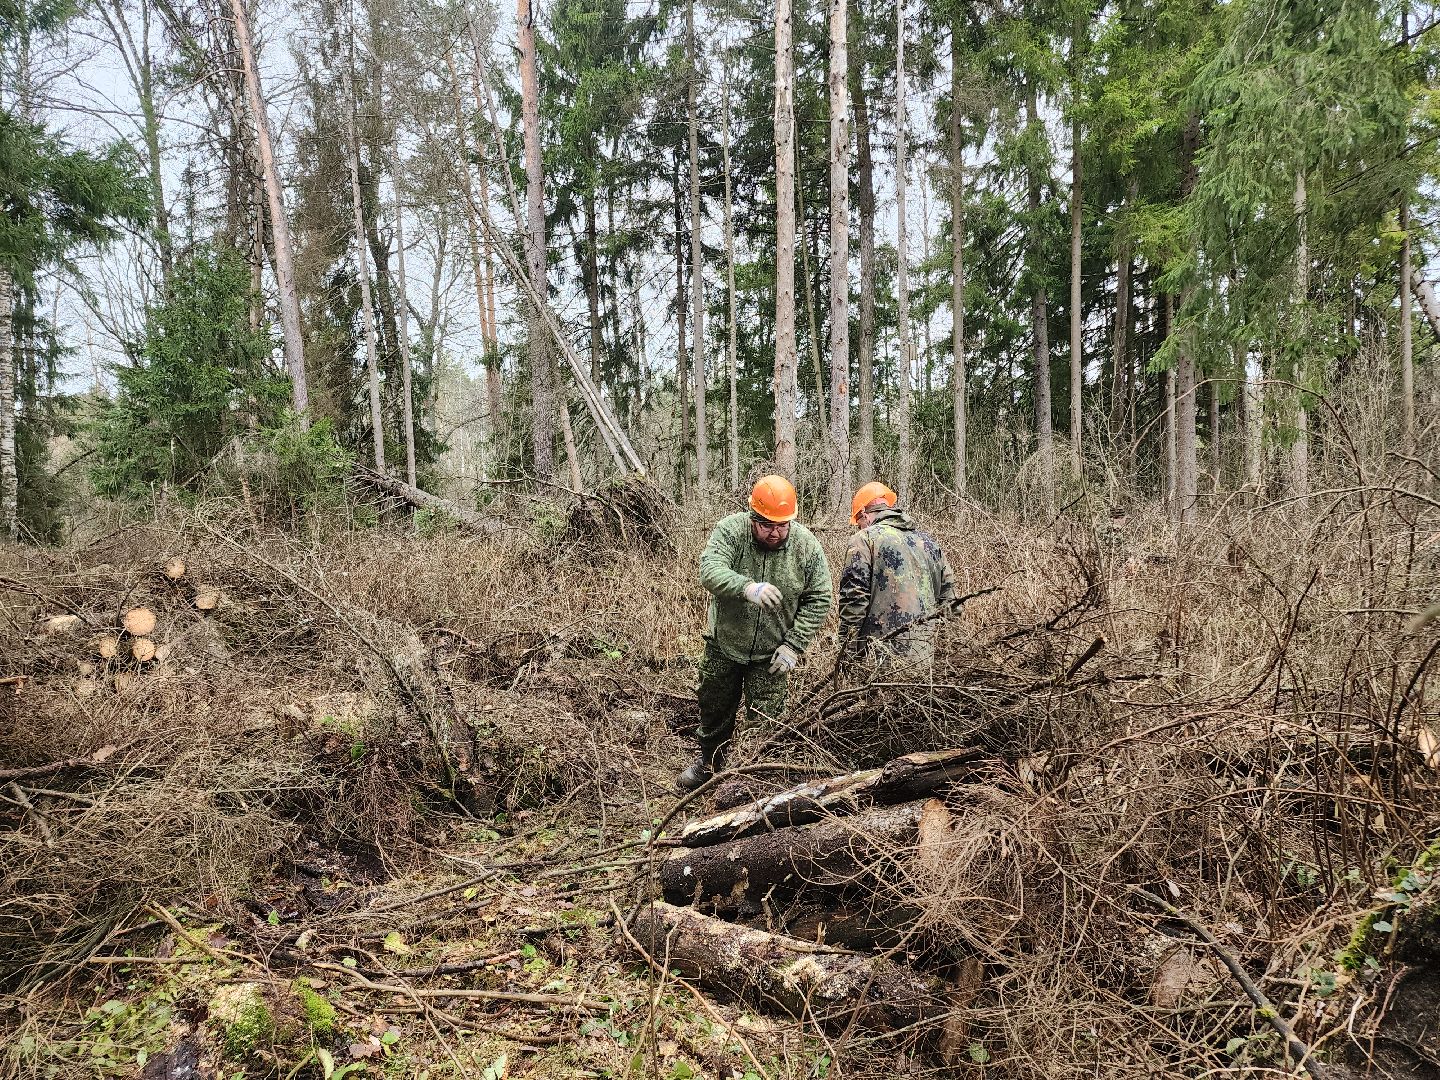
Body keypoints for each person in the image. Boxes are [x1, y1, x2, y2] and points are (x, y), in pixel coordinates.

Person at [679, 474, 833, 792]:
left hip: (771, 654)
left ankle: (754, 780)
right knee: (714, 709)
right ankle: (708, 765)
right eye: (766, 525)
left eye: (782, 526)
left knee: (767, 723)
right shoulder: (730, 530)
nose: (775, 533)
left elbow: (820, 597)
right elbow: (710, 570)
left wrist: (794, 645)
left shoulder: (806, 546)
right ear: (753, 517)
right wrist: (747, 587)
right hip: (724, 644)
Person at [837, 482, 957, 665]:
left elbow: (854, 601)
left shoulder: (864, 539)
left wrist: (846, 657)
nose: (859, 528)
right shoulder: (929, 543)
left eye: (858, 523)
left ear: (864, 514)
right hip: (925, 662)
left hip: (878, 663)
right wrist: (943, 657)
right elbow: (951, 604)